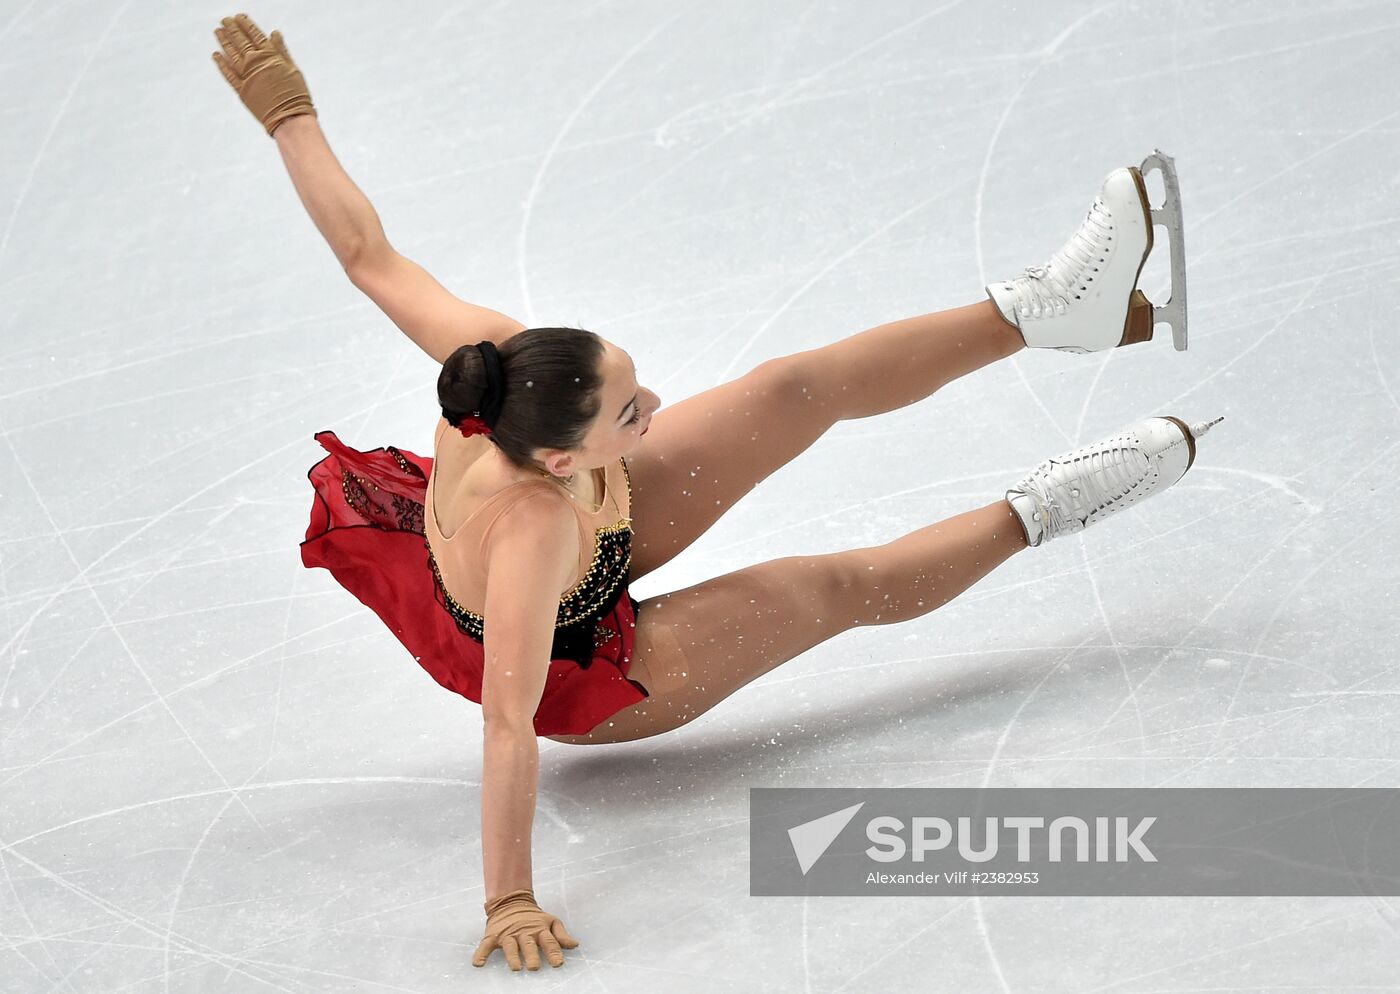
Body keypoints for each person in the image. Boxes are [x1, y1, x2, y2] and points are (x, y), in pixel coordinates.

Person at [213, 12, 1224, 973]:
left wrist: (285, 111)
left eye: (630, 380)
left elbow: (366, 254)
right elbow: (506, 723)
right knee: (826, 587)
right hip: (575, 668)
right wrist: (508, 899)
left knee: (788, 387)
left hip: (582, 534)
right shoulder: (526, 534)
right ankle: (1043, 508)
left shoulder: (499, 367)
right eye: (626, 410)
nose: (652, 402)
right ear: (562, 459)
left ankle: (1052, 309)